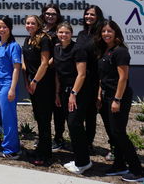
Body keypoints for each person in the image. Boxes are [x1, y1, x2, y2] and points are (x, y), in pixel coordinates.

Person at [96, 20, 144, 182]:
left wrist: (117, 99)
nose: (106, 34)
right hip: (106, 96)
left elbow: (123, 78)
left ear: (116, 33)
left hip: (118, 97)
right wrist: (99, 95)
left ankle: (137, 170)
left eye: (109, 31)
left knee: (119, 133)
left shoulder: (121, 52)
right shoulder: (106, 50)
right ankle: (119, 165)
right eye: (103, 31)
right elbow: (103, 77)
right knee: (113, 133)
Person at [53, 22, 91, 174]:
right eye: (61, 32)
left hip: (77, 93)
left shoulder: (78, 49)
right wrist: (57, 93)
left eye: (66, 32)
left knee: (74, 124)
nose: (64, 35)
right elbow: (56, 72)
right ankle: (81, 159)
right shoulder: (56, 48)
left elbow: (81, 74)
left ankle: (83, 162)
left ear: (71, 33)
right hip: (63, 92)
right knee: (72, 126)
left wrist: (73, 95)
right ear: (57, 33)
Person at [22, 15, 54, 166]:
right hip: (32, 84)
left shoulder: (44, 39)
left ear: (38, 24)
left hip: (43, 85)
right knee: (39, 119)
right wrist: (27, 81)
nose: (29, 25)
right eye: (27, 23)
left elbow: (45, 63)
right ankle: (40, 149)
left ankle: (45, 155)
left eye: (32, 23)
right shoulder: (28, 40)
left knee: (44, 120)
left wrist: (35, 81)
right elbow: (25, 63)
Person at [0, 16, 22, 159]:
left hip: (7, 84)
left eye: (4, 27)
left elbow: (17, 68)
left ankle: (11, 150)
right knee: (4, 117)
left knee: (8, 117)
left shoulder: (13, 46)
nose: (1, 29)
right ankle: (11, 145)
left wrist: (12, 88)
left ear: (10, 28)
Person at [77, 5, 105, 153]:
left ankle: (89, 143)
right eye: (87, 14)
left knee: (90, 114)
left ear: (98, 17)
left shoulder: (100, 35)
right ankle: (80, 141)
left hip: (94, 80)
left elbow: (101, 61)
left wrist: (100, 89)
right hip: (80, 79)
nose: (88, 17)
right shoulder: (81, 34)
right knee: (79, 113)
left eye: (92, 15)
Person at [43, 2, 66, 152]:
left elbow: (57, 54)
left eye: (53, 14)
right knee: (44, 109)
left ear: (57, 16)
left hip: (55, 74)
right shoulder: (40, 29)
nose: (50, 16)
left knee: (58, 109)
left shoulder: (60, 31)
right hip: (42, 75)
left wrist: (44, 66)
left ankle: (59, 138)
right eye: (48, 13)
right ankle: (45, 137)